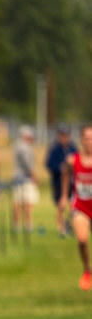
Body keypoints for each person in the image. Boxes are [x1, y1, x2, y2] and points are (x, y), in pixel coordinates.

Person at [60, 122, 92, 291]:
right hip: (81, 206)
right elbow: (65, 174)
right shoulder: (73, 160)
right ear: (81, 140)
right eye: (86, 138)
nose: (89, 142)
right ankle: (87, 270)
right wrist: (64, 196)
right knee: (82, 239)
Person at [46, 123, 77, 236]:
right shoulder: (54, 149)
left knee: (73, 205)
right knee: (61, 204)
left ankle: (71, 226)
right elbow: (49, 163)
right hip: (58, 181)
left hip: (72, 182)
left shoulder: (73, 148)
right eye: (62, 135)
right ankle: (61, 227)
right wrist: (60, 167)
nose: (64, 137)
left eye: (66, 135)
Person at [12, 125, 39, 232]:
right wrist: (34, 176)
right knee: (26, 202)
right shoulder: (24, 147)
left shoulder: (17, 145)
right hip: (25, 178)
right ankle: (27, 224)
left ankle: (17, 224)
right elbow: (28, 164)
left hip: (18, 177)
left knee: (18, 201)